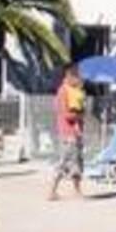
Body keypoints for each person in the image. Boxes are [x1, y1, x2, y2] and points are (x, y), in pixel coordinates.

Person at [48, 71, 87, 201]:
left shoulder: (71, 91)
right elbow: (67, 115)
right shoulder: (64, 92)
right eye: (78, 78)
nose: (80, 81)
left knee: (76, 162)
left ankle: (76, 190)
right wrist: (80, 115)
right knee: (65, 162)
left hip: (72, 133)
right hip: (69, 133)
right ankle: (52, 191)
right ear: (70, 77)